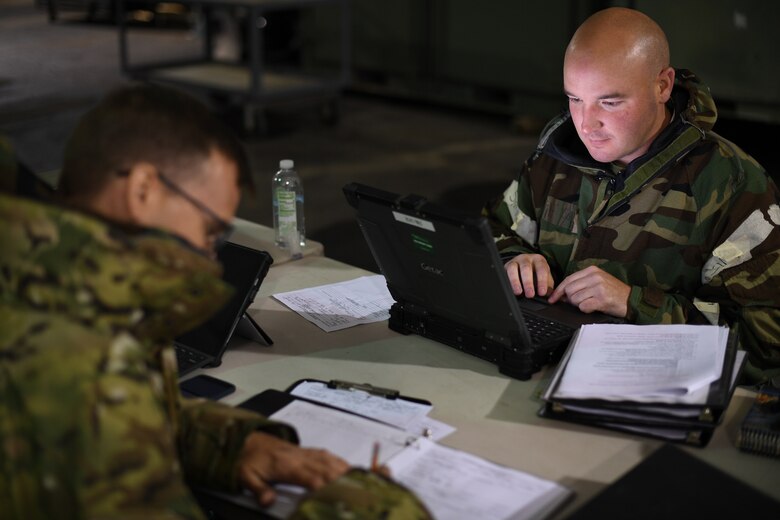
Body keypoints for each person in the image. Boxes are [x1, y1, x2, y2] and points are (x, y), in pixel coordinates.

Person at [0, 84, 430, 519]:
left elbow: (117, 429)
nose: (210, 256)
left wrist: (229, 448)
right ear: (144, 188)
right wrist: (365, 507)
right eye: (210, 231)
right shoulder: (74, 354)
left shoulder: (49, 281)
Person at [484, 7, 780, 384]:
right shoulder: (558, 158)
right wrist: (514, 258)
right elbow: (490, 228)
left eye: (609, 102)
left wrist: (634, 303)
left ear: (662, 86)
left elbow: (766, 341)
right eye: (575, 99)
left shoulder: (731, 185)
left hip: (649, 391)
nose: (586, 125)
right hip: (541, 370)